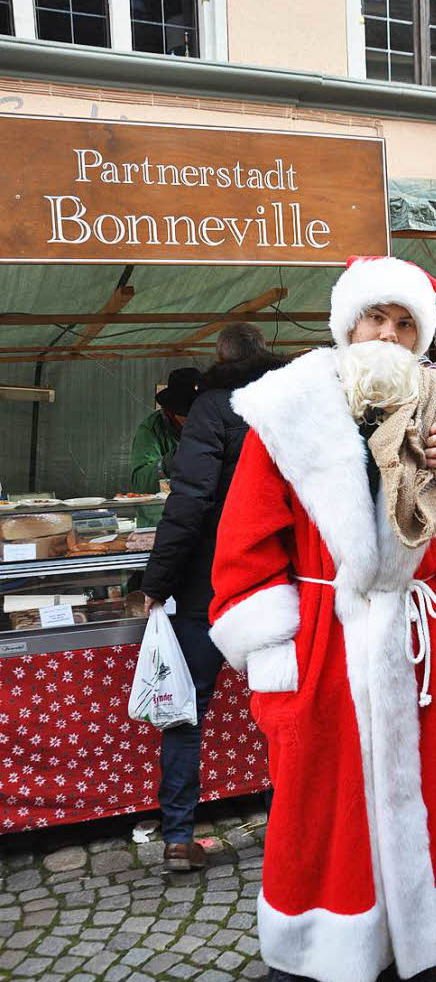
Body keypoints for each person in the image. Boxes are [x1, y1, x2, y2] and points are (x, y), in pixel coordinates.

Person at [209, 256, 436, 982]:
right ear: (347, 325)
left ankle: (415, 944)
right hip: (323, 639)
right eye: (377, 318)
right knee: (313, 801)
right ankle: (301, 953)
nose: (389, 336)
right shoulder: (287, 408)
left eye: (405, 324)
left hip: (413, 637)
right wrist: (272, 655)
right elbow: (244, 543)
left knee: (421, 800)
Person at [141, 324, 284, 872]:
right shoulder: (285, 404)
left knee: (186, 711)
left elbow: (190, 502)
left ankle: (179, 836)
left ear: (220, 359)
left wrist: (156, 582)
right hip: (274, 584)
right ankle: (286, 823)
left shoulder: (211, 408)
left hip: (208, 585)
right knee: (279, 708)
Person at [130, 366, 202, 493]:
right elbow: (139, 483)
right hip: (165, 509)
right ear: (173, 409)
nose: (194, 419)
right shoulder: (151, 430)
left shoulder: (214, 423)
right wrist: (169, 463)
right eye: (187, 414)